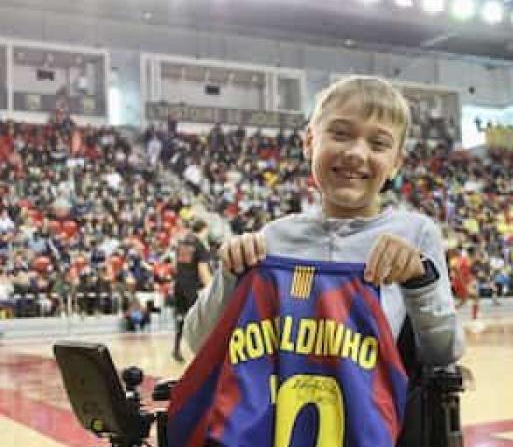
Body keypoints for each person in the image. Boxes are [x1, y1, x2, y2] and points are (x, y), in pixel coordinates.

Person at [181, 76, 464, 443]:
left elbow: (444, 352)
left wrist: (418, 281)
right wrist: (230, 275)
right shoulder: (272, 240)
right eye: (341, 134)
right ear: (309, 142)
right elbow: (197, 343)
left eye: (378, 143)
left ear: (396, 162)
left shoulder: (415, 234)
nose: (357, 153)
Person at [172, 219, 212, 361]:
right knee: (200, 318)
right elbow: (203, 271)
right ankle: (202, 352)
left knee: (180, 317)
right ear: (204, 229)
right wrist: (212, 289)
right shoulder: (200, 245)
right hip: (190, 287)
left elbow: (175, 265)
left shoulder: (182, 242)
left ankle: (176, 349)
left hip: (178, 285)